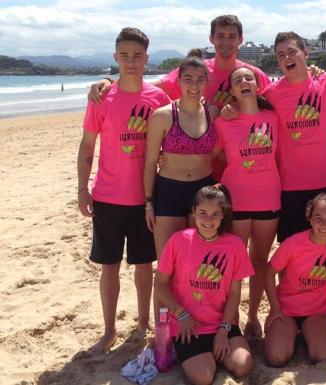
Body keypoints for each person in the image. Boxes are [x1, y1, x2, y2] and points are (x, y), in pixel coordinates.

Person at [76, 27, 170, 352]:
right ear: (115, 57)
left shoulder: (158, 98)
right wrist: (81, 188)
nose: (131, 62)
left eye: (137, 56)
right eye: (124, 55)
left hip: (146, 199)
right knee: (110, 266)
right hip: (107, 197)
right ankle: (108, 330)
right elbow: (88, 145)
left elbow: (171, 141)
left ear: (147, 58)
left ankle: (142, 324)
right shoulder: (103, 97)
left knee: (144, 265)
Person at [88, 15, 271, 181]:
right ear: (211, 39)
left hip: (243, 168)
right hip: (200, 172)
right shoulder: (197, 70)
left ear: (241, 39)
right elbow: (146, 89)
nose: (226, 41)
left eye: (232, 36)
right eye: (220, 36)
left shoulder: (251, 75)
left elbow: (270, 108)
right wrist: (110, 82)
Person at [154, 185, 253, 384]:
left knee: (243, 366)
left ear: (223, 215)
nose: (208, 220)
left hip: (221, 323)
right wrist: (181, 315)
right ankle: (201, 356)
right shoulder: (178, 240)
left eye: (215, 214)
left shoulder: (235, 245)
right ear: (193, 212)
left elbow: (235, 293)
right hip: (187, 325)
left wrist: (224, 331)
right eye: (203, 213)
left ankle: (215, 352)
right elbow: (160, 285)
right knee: (204, 377)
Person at [259, 32, 326, 242]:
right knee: (290, 245)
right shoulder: (271, 93)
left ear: (306, 53)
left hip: (325, 180)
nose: (287, 58)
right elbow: (248, 111)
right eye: (281, 55)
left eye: (292, 52)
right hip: (290, 184)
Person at [213, 66, 281, 337]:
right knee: (235, 264)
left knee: (260, 261)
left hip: (268, 198)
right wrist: (236, 166)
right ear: (231, 90)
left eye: (248, 78)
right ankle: (233, 318)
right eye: (237, 80)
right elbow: (213, 155)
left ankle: (253, 314)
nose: (244, 82)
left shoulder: (273, 117)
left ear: (257, 85)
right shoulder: (222, 122)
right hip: (236, 201)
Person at [263, 193, 326, 366]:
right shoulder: (294, 243)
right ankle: (289, 334)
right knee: (277, 357)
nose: (324, 224)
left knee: (324, 356)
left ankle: (307, 335)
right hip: (286, 310)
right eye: (318, 217)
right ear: (310, 219)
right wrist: (275, 308)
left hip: (317, 313)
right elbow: (269, 272)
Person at [144, 57, 217, 258]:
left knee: (199, 260)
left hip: (203, 192)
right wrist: (148, 202)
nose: (194, 85)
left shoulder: (214, 113)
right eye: (188, 79)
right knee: (167, 263)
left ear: (206, 82)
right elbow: (150, 161)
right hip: (169, 192)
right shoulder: (163, 116)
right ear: (178, 81)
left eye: (200, 79)